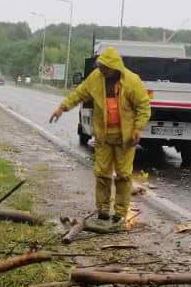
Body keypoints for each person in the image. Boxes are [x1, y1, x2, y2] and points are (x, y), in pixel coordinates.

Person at [48, 46, 151, 223]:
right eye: (100, 66)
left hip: (125, 139)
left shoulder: (132, 81)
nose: (101, 70)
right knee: (102, 174)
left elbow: (144, 106)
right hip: (103, 137)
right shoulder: (96, 78)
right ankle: (103, 209)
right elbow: (79, 93)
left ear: (115, 67)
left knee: (123, 176)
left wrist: (137, 128)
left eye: (104, 67)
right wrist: (62, 108)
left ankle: (120, 212)